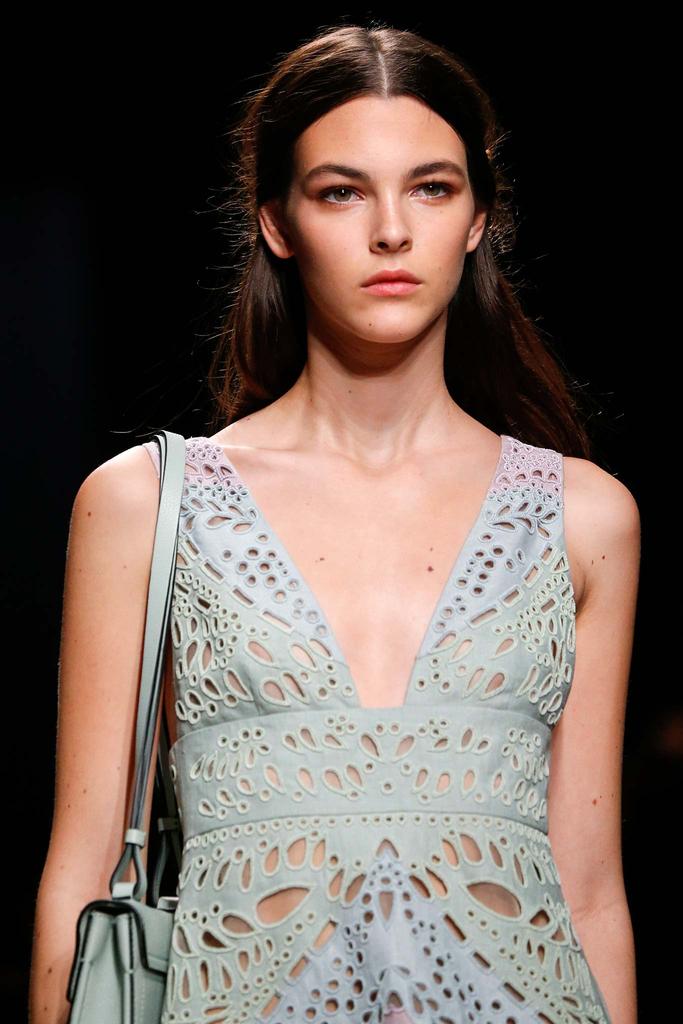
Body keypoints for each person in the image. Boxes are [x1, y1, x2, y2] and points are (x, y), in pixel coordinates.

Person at [29, 22, 638, 1024]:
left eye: (430, 188)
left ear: (478, 218)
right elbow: (82, 870)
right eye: (341, 191)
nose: (390, 230)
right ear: (277, 222)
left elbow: (590, 895)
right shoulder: (144, 504)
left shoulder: (581, 514)